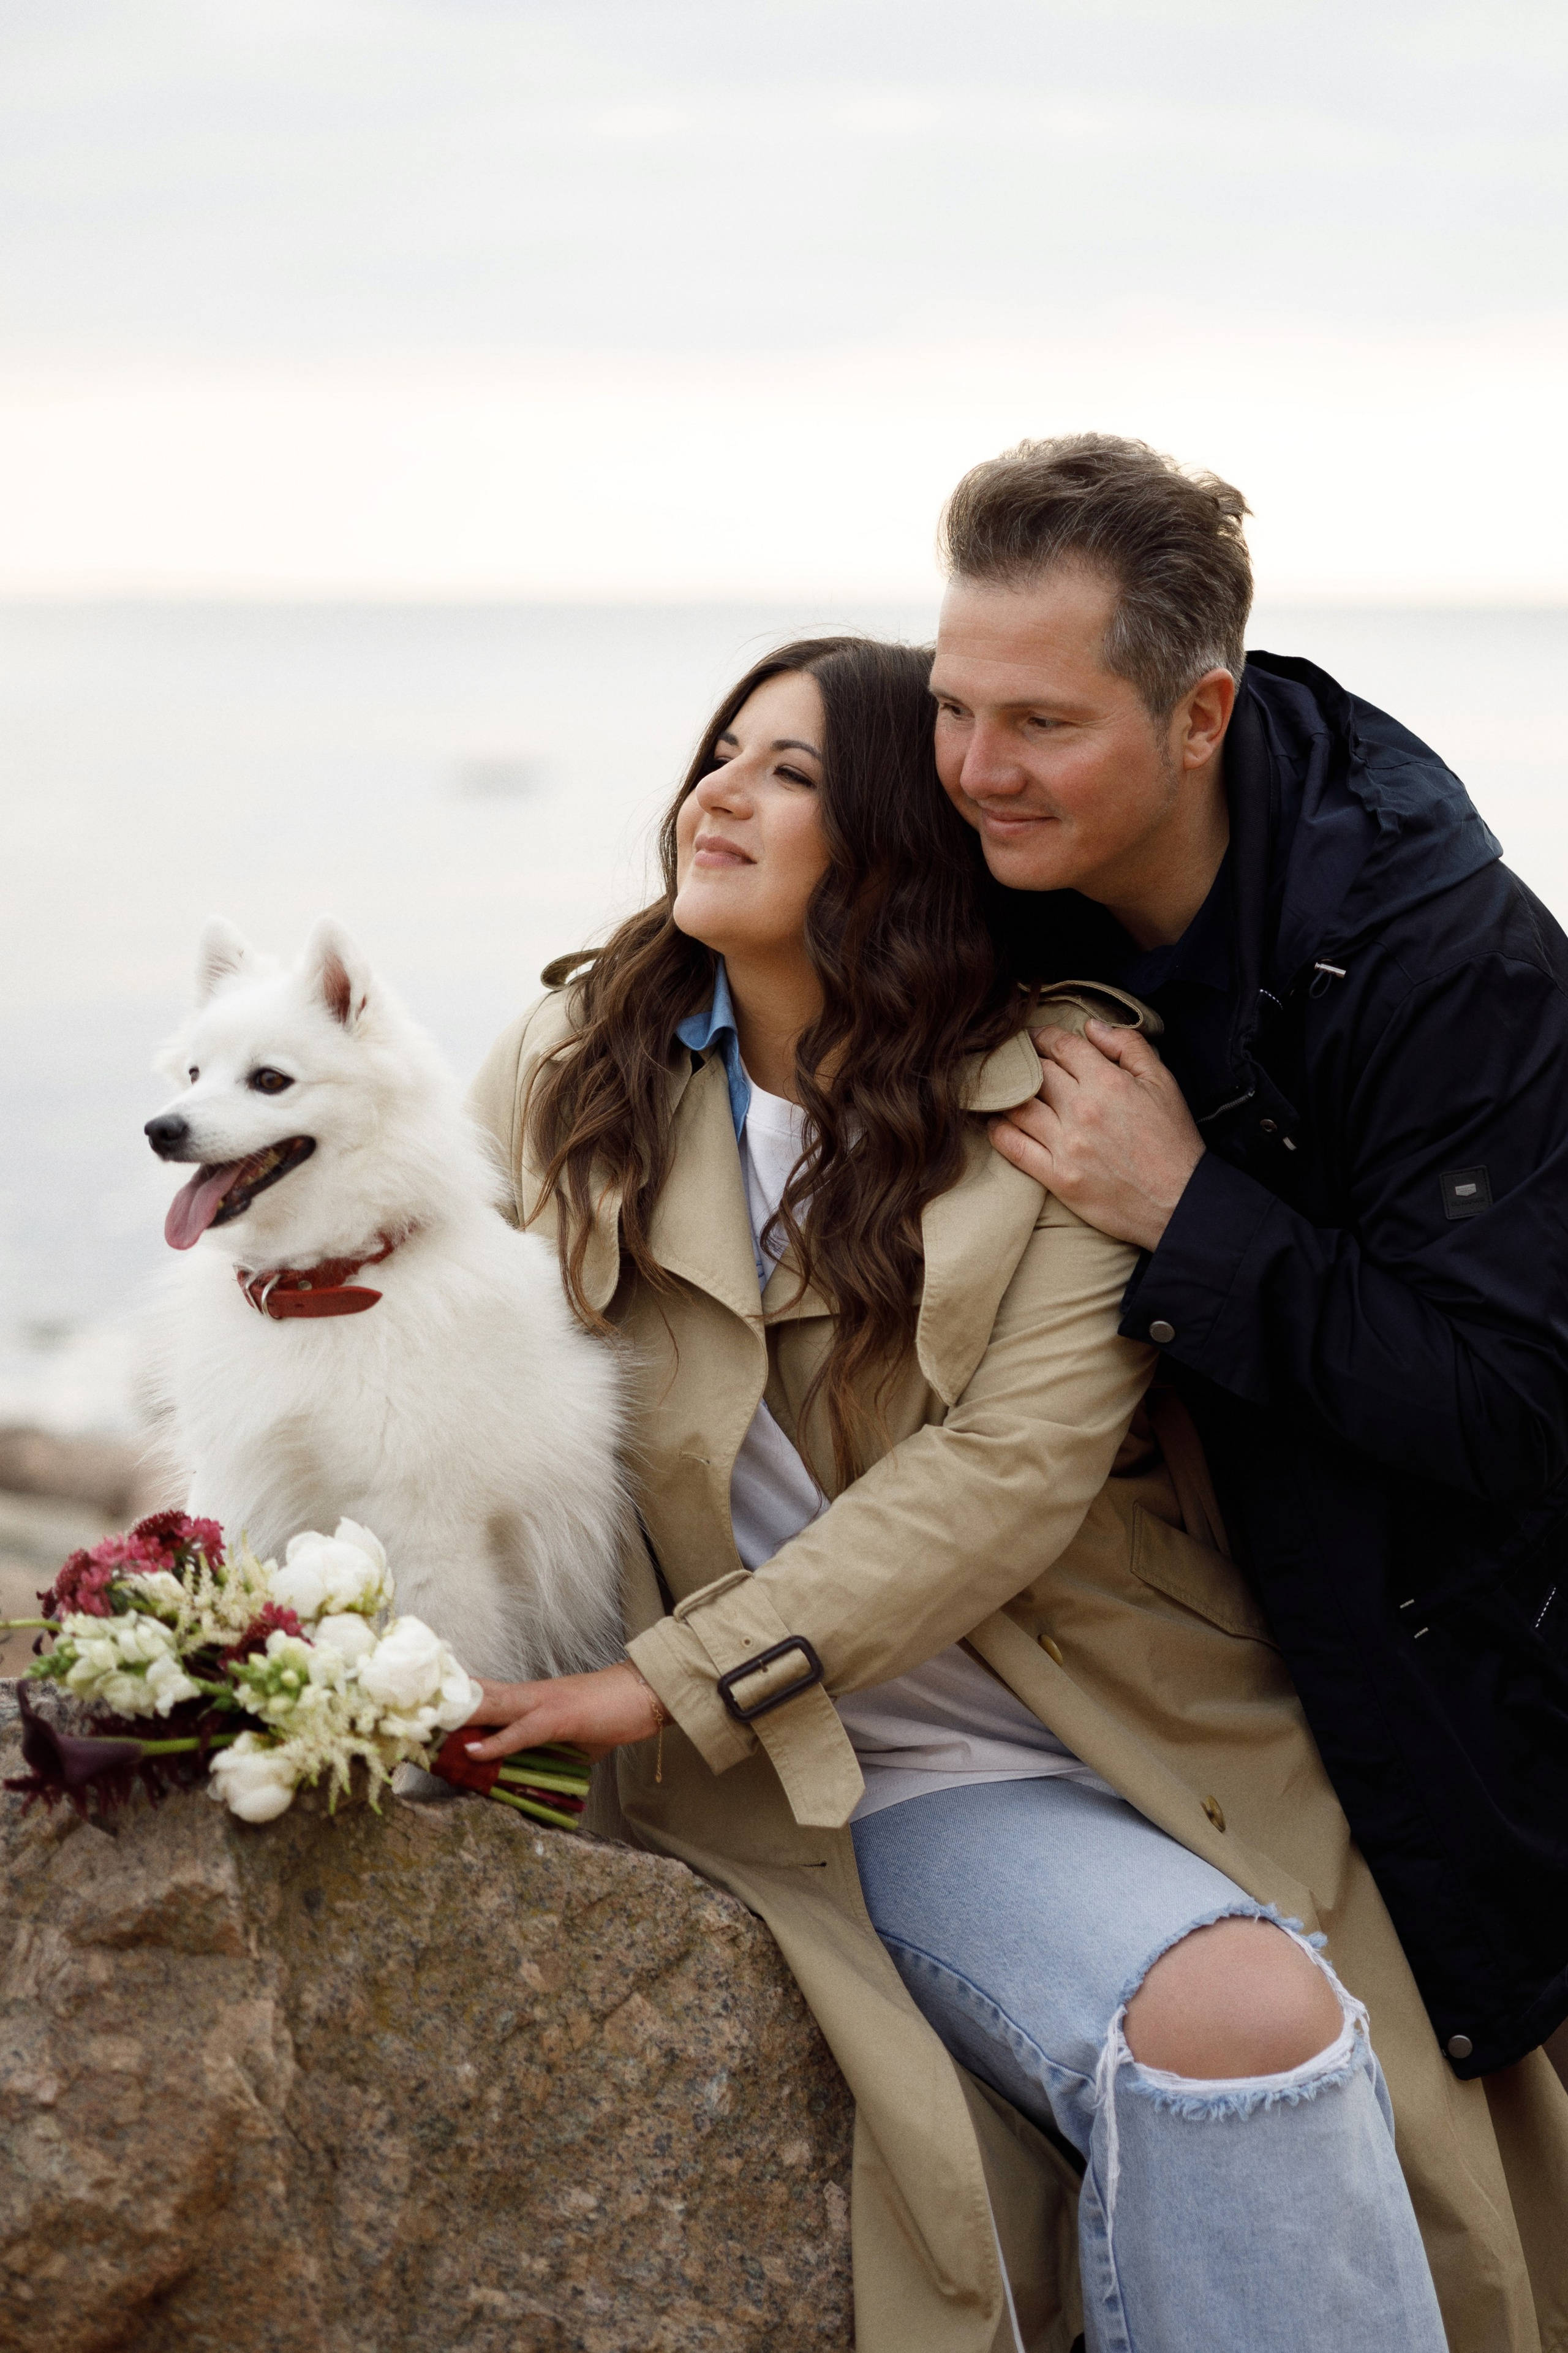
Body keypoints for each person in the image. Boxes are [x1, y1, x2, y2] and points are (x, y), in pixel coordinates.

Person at [461, 633, 1547, 2352]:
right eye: (720, 752)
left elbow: (1005, 1475)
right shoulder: (576, 1062)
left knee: (1321, 2056)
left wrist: (657, 1680)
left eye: (793, 773)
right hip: (850, 1771)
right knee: (1240, 2023)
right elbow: (440, 1353)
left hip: (1136, 1726)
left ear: (897, 843)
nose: (720, 794)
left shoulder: (1062, 1085)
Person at [933, 436, 1568, 2316]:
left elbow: (1515, 1407)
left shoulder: (1451, 962)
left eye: (1041, 722)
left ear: (1200, 714)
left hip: (1441, 1677)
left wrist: (1188, 1212)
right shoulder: (987, 855)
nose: (973, 767)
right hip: (1090, 1642)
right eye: (956, 703)